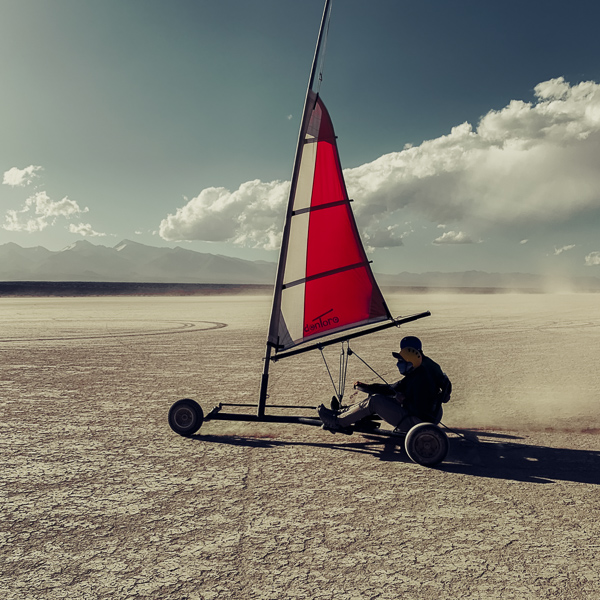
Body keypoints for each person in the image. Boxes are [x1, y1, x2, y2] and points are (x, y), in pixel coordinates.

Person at [317, 336, 451, 433]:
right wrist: (369, 387)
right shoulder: (422, 367)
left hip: (419, 422)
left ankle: (337, 422)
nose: (398, 362)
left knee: (375, 401)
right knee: (379, 397)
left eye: (401, 358)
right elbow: (395, 388)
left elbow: (419, 406)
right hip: (431, 414)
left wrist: (404, 400)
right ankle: (342, 412)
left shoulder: (421, 378)